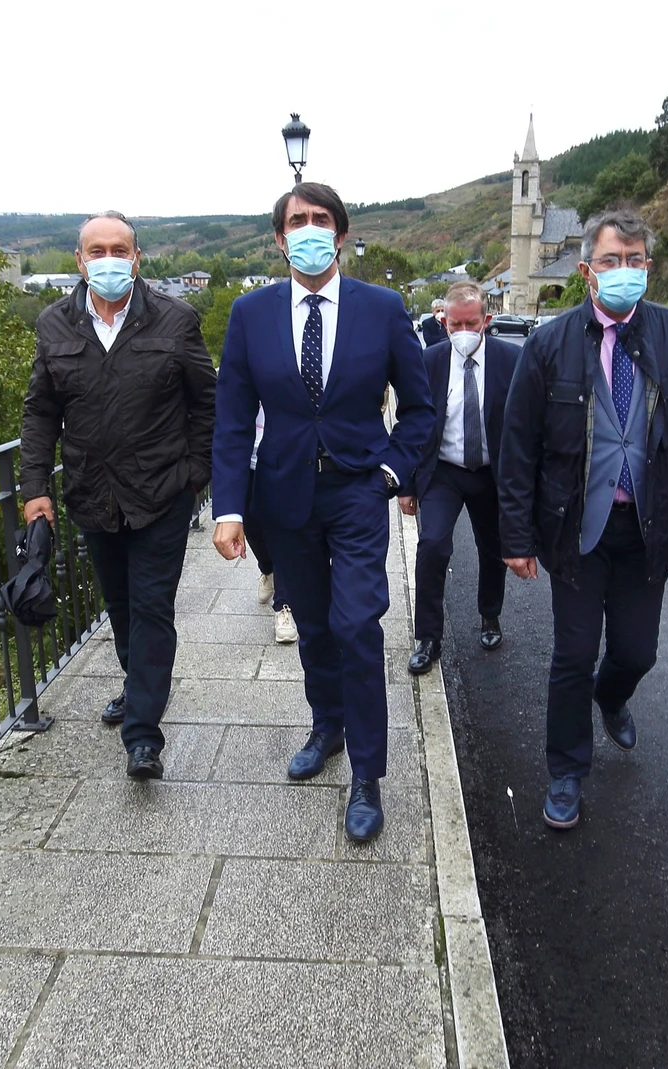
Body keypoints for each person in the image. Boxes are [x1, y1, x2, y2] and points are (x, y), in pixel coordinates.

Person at [210, 182, 435, 843]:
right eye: (296, 221)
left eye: (321, 220)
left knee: (356, 623)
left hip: (359, 491)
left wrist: (391, 472)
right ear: (279, 240)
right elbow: (231, 419)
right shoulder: (250, 314)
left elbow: (420, 408)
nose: (308, 230)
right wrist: (228, 506)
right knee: (311, 624)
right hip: (283, 498)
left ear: (340, 234)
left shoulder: (383, 309)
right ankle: (327, 725)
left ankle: (366, 773)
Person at [496, 207, 668, 831]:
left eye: (634, 261)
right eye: (609, 261)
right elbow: (518, 451)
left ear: (647, 267)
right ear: (587, 270)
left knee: (637, 651)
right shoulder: (548, 345)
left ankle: (614, 694)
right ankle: (566, 771)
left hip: (648, 528)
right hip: (576, 530)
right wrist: (515, 536)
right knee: (573, 654)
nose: (622, 272)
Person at [20, 211, 216, 779]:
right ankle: (138, 690)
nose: (108, 259)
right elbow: (40, 412)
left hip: (162, 494)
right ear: (79, 261)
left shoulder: (176, 321)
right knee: (121, 607)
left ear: (137, 257)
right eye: (96, 250)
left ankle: (143, 736)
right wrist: (36, 488)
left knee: (152, 608)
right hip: (92, 495)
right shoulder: (54, 324)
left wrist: (196, 472)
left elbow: (207, 400)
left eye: (119, 248)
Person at [401, 280, 514, 675]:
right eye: (455, 325)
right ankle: (427, 637)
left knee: (494, 548)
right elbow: (414, 423)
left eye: (471, 323)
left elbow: (522, 426)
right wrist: (407, 484)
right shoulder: (429, 361)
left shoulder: (510, 361)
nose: (463, 332)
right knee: (432, 546)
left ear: (487, 319)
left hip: (489, 472)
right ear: (443, 320)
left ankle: (490, 615)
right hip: (443, 472)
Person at [243, 406, 297, 643]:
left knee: (281, 533)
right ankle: (268, 570)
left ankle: (284, 607)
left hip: (286, 457)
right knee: (252, 527)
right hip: (248, 457)